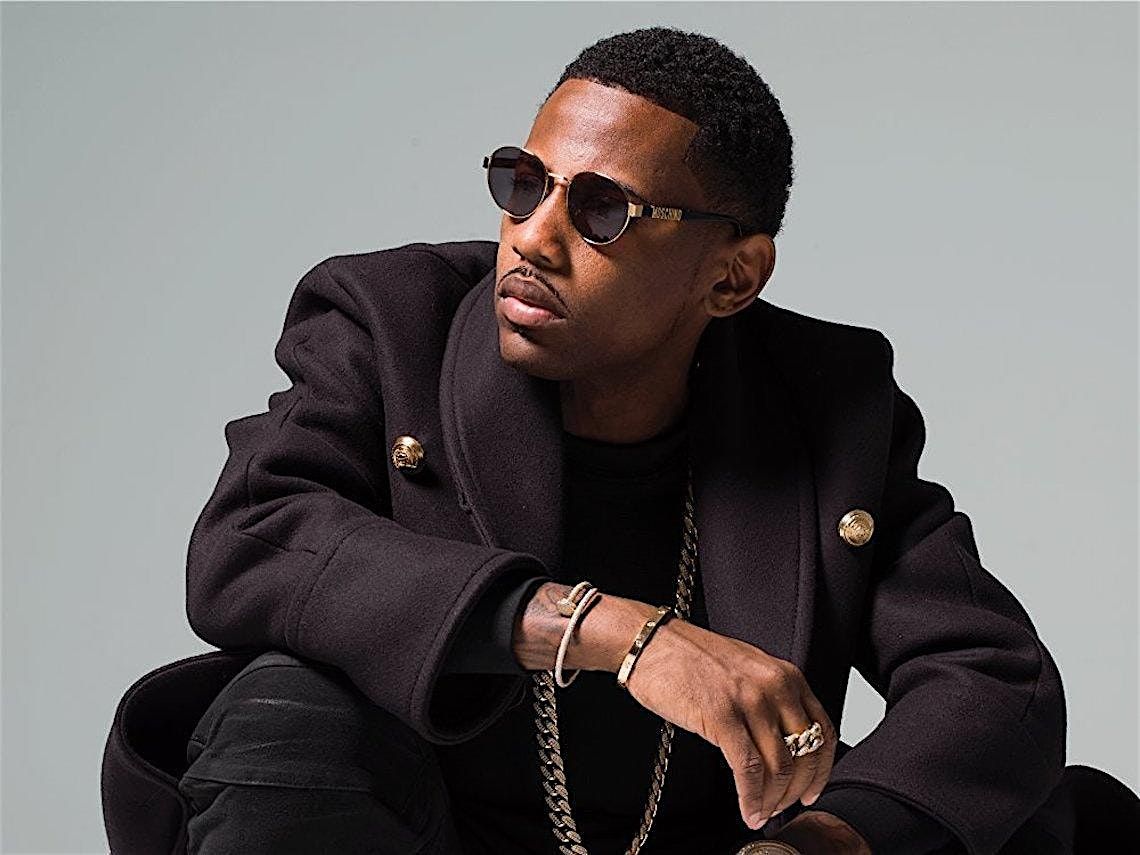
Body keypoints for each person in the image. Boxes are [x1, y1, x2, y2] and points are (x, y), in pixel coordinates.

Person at [176, 26, 1067, 855]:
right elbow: (253, 537)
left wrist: (826, 839)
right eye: (524, 183)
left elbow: (991, 676)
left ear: (733, 276)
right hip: (426, 833)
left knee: (1052, 816)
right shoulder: (392, 321)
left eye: (603, 211)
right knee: (284, 716)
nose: (533, 238)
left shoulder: (823, 401)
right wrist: (618, 632)